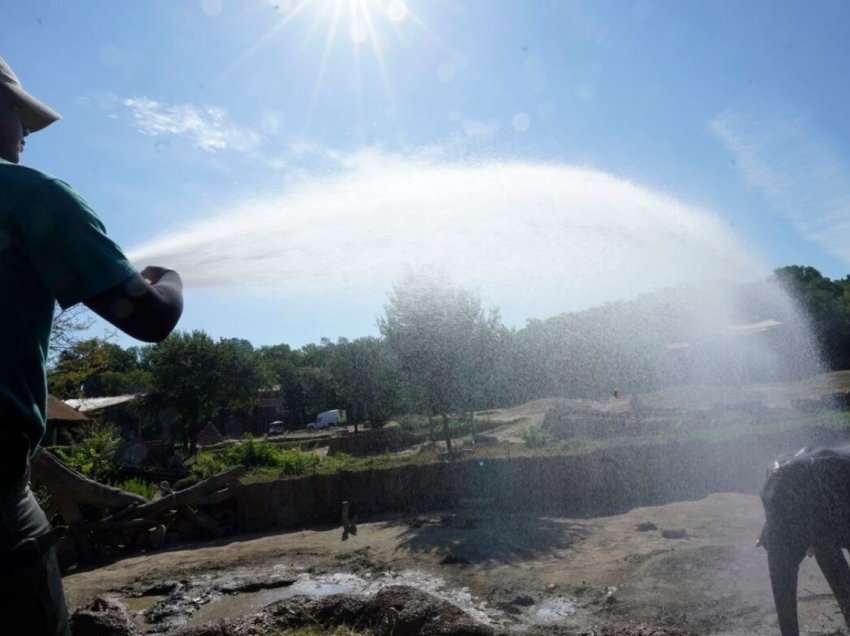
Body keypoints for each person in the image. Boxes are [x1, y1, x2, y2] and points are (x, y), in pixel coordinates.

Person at [0, 57, 184, 634]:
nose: (26, 132)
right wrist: (169, 279)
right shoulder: (30, 197)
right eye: (17, 113)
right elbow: (150, 319)